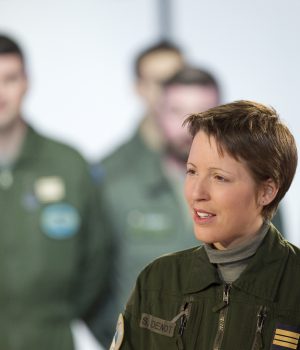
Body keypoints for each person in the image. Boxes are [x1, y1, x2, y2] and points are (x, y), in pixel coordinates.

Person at [112, 100, 299, 349]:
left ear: (267, 191)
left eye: (219, 177)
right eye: (191, 172)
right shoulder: (156, 280)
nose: (196, 192)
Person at [89, 64, 222, 347]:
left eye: (204, 112)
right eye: (176, 111)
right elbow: (91, 289)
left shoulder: (253, 192)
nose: (190, 124)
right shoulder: (117, 191)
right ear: (158, 114)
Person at [0, 34, 111, 350]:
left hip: (50, 338)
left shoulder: (67, 164)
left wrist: (52, 315)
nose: (0, 92)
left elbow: (97, 256)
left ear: (26, 83)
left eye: (9, 78)